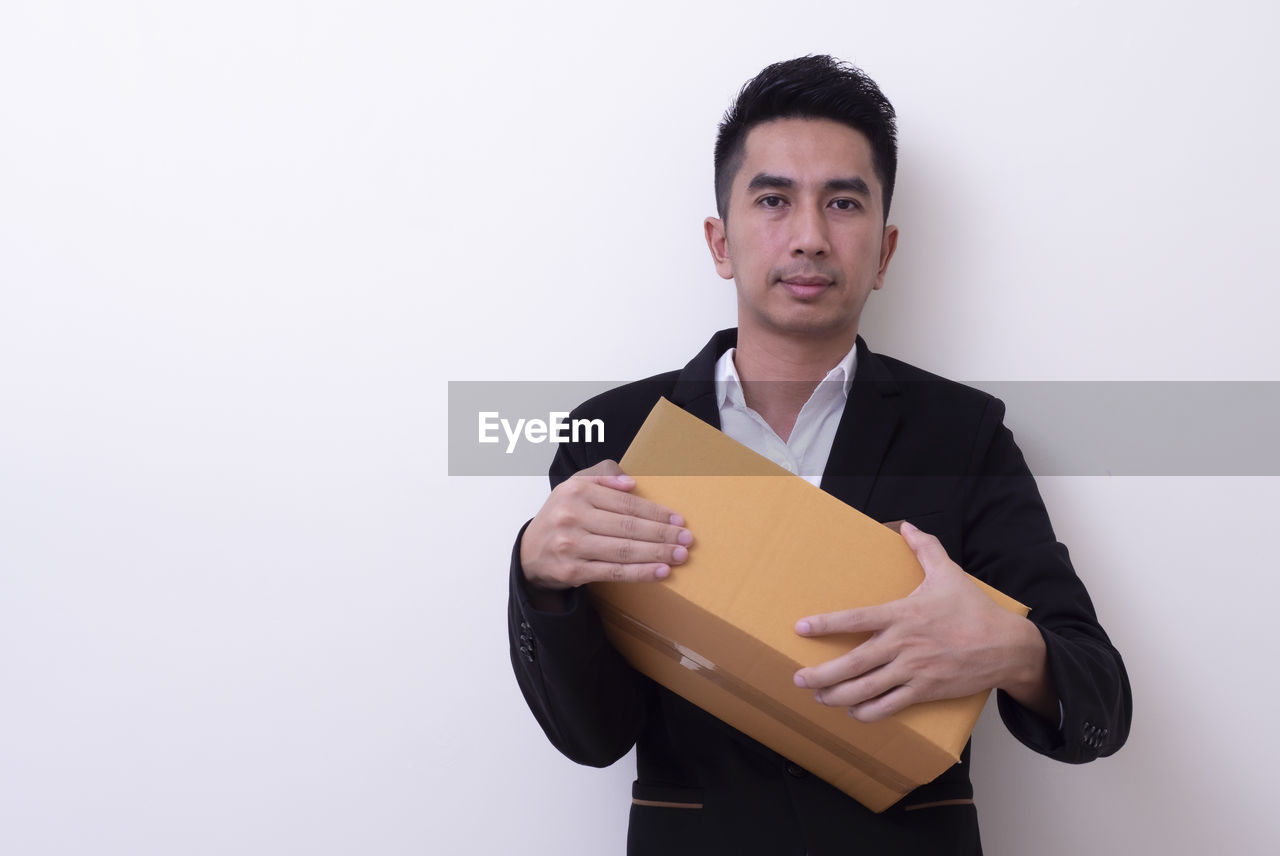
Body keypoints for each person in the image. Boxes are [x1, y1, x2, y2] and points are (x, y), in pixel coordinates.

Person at [507, 55, 1131, 855]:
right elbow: (591, 736)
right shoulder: (616, 436)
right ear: (720, 241)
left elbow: (1100, 709)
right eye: (773, 200)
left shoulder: (964, 435)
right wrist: (538, 573)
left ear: (884, 249)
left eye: (843, 203)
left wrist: (1014, 649)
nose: (808, 237)